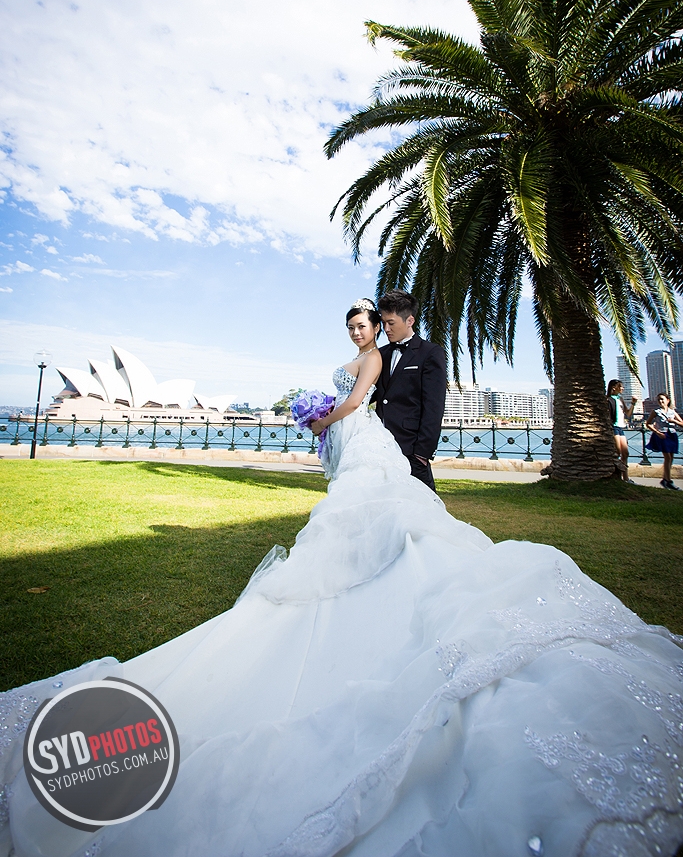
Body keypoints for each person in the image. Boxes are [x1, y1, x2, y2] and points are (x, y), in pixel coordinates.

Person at [2, 300, 683, 857]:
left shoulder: (389, 356)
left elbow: (361, 400)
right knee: (368, 519)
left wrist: (324, 417)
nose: (363, 331)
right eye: (357, 325)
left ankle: (381, 569)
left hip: (377, 443)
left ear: (384, 325)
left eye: (369, 323)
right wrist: (324, 420)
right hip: (361, 444)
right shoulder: (373, 352)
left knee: (390, 519)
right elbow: (361, 397)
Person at [370, 290, 447, 492]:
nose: (386, 329)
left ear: (410, 320)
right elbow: (368, 394)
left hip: (411, 451)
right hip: (380, 447)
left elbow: (434, 406)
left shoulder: (430, 353)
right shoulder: (380, 354)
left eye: (391, 323)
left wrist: (422, 453)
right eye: (383, 323)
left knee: (423, 507)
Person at [646, 391, 683, 489]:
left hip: (672, 434)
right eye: (658, 399)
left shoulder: (672, 412)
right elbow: (648, 423)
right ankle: (669, 481)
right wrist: (657, 432)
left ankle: (665, 479)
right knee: (667, 458)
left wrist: (674, 421)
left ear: (668, 400)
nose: (660, 401)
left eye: (662, 399)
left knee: (671, 457)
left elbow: (682, 423)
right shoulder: (656, 412)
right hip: (662, 435)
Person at [606, 379, 636, 482]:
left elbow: (628, 413)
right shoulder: (608, 400)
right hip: (613, 427)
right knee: (617, 452)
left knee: (625, 453)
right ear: (614, 388)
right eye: (621, 386)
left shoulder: (620, 399)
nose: (622, 388)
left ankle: (626, 478)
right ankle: (615, 475)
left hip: (620, 427)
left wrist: (633, 404)